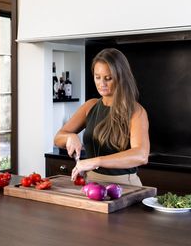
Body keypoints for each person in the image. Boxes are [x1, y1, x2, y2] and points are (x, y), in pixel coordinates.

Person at [54, 48, 149, 186]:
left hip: (124, 185)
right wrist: (70, 137)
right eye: (97, 77)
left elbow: (141, 155)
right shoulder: (90, 106)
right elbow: (58, 138)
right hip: (91, 183)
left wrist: (96, 161)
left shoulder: (136, 111)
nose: (101, 83)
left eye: (108, 78)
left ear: (121, 77)